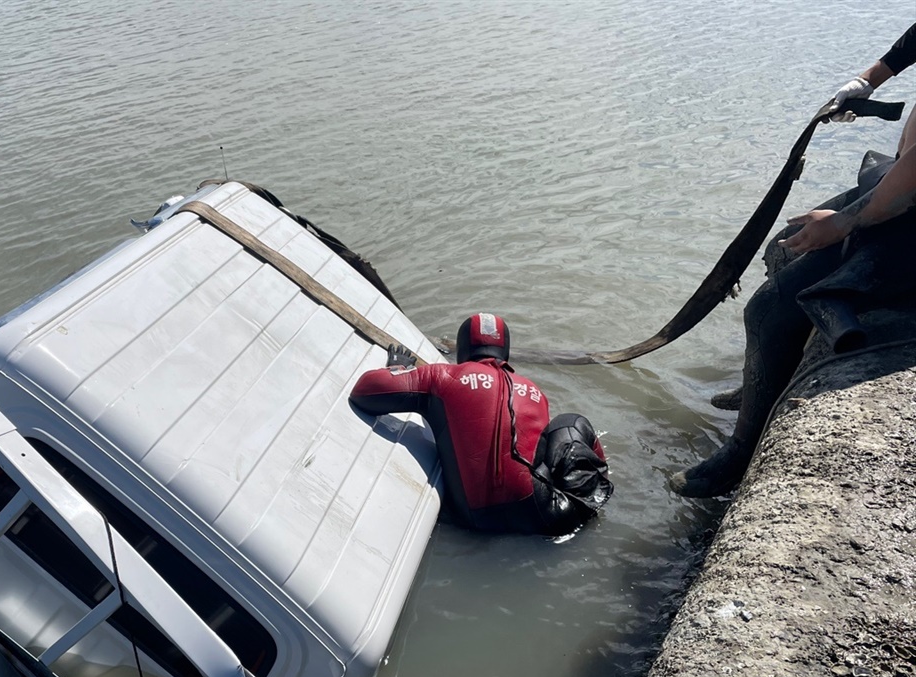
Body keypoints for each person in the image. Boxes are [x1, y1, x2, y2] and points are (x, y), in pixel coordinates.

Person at [671, 23, 916, 498]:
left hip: (907, 216)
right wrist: (868, 81)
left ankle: (740, 454)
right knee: (784, 245)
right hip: (901, 194)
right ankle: (762, 384)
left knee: (765, 309)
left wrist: (845, 222)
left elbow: (907, 188)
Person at [349, 313, 612, 535]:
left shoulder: (441, 377)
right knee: (570, 423)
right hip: (548, 519)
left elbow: (364, 392)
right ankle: (595, 499)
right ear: (505, 351)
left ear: (463, 349)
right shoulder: (533, 391)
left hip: (471, 520)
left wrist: (397, 370)